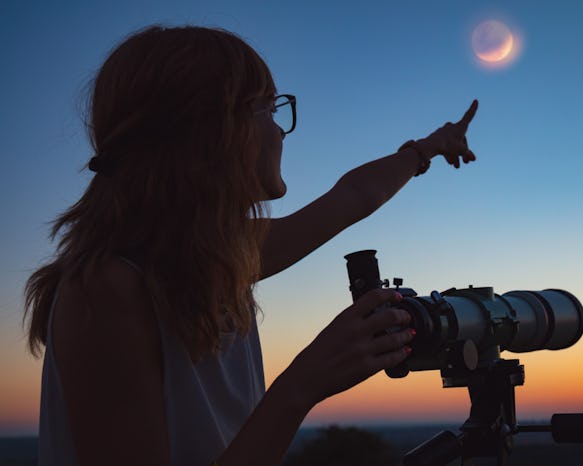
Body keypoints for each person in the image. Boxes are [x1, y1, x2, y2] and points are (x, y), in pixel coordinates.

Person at [24, 25, 478, 466]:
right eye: (267, 109)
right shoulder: (107, 289)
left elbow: (353, 197)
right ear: (209, 131)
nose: (282, 131)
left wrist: (427, 149)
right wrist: (302, 384)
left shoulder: (212, 258)